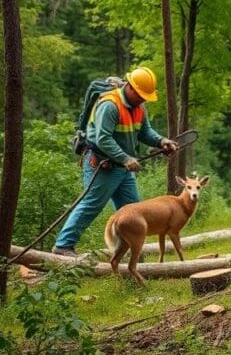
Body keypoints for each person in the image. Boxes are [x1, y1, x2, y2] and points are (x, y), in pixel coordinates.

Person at [52, 66, 178, 257]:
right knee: (91, 205)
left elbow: (145, 132)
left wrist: (161, 141)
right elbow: (103, 138)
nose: (144, 99)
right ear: (131, 88)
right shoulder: (110, 105)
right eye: (142, 94)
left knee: (134, 211)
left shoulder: (139, 108)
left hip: (124, 169)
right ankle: (63, 246)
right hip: (103, 166)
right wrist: (125, 158)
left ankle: (132, 254)